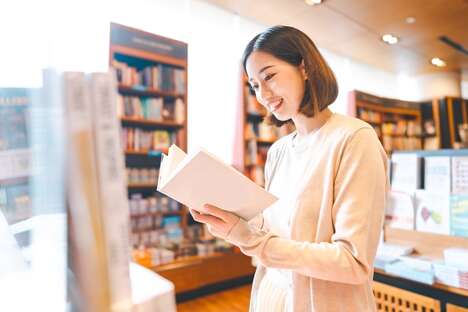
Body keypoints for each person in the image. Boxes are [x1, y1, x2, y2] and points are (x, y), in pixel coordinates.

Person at [189, 25, 388, 312]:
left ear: (304, 67)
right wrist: (234, 223)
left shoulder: (354, 139)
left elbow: (353, 262)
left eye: (269, 76)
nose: (263, 94)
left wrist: (254, 242)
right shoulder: (279, 151)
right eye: (255, 85)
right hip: (272, 296)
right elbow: (274, 230)